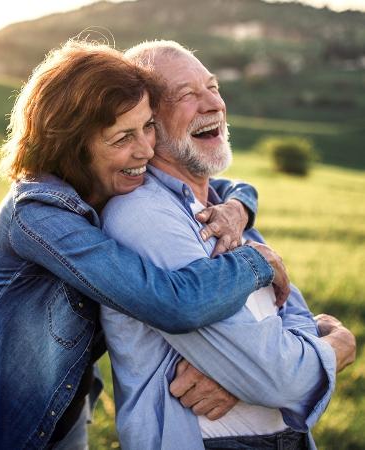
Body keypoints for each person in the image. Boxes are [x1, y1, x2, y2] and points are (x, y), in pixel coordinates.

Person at [0, 40, 290, 450]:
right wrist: (256, 262)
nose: (146, 149)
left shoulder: (107, 182)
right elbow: (170, 303)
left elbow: (220, 185)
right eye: (122, 137)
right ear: (74, 146)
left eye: (147, 126)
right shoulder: (38, 214)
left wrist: (238, 208)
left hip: (64, 411)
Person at [100, 40, 356, 450]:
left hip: (287, 437)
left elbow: (293, 314)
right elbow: (277, 378)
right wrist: (336, 346)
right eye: (186, 95)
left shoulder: (225, 210)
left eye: (213, 87)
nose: (212, 104)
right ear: (149, 123)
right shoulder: (143, 216)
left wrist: (247, 377)